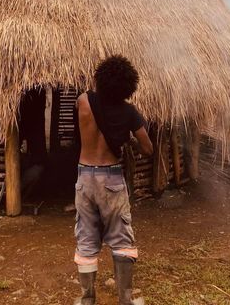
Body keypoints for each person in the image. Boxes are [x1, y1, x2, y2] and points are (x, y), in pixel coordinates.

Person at [74, 55, 153, 305]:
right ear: (129, 86)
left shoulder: (83, 101)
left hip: (84, 177)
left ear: (100, 78)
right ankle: (125, 300)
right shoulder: (129, 112)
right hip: (111, 178)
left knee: (86, 237)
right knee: (121, 239)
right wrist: (128, 140)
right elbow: (148, 148)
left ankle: (87, 299)